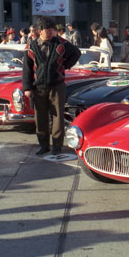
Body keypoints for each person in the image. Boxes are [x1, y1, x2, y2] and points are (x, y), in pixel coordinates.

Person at [22, 16, 81, 155]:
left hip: (57, 86)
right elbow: (27, 69)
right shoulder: (31, 46)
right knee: (40, 117)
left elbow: (76, 53)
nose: (49, 32)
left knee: (58, 116)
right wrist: (27, 88)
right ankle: (43, 144)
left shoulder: (61, 44)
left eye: (52, 30)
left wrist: (66, 65)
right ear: (39, 31)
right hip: (38, 87)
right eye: (46, 30)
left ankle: (57, 146)